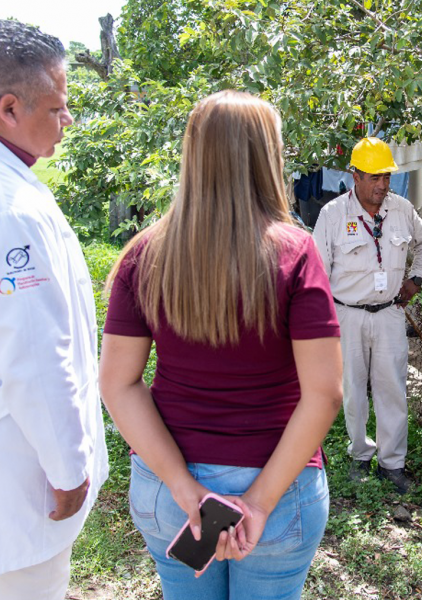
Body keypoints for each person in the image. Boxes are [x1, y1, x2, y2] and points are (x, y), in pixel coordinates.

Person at [99, 91, 343, 600]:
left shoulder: (142, 255)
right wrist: (256, 502)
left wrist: (186, 491)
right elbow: (324, 394)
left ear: (193, 154)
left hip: (170, 490)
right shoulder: (295, 253)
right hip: (279, 492)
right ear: (266, 157)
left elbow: (119, 384)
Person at [0, 20, 109, 599]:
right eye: (59, 107)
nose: (68, 120)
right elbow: (36, 356)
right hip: (18, 488)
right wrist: (68, 469)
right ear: (10, 108)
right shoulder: (12, 209)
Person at [312, 137, 422, 494]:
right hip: (347, 315)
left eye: (386, 176)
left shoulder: (401, 209)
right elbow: (318, 270)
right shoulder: (333, 214)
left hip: (389, 315)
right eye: (374, 177)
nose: (382, 185)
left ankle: (392, 463)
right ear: (356, 176)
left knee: (392, 388)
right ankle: (360, 455)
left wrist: (417, 278)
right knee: (353, 389)